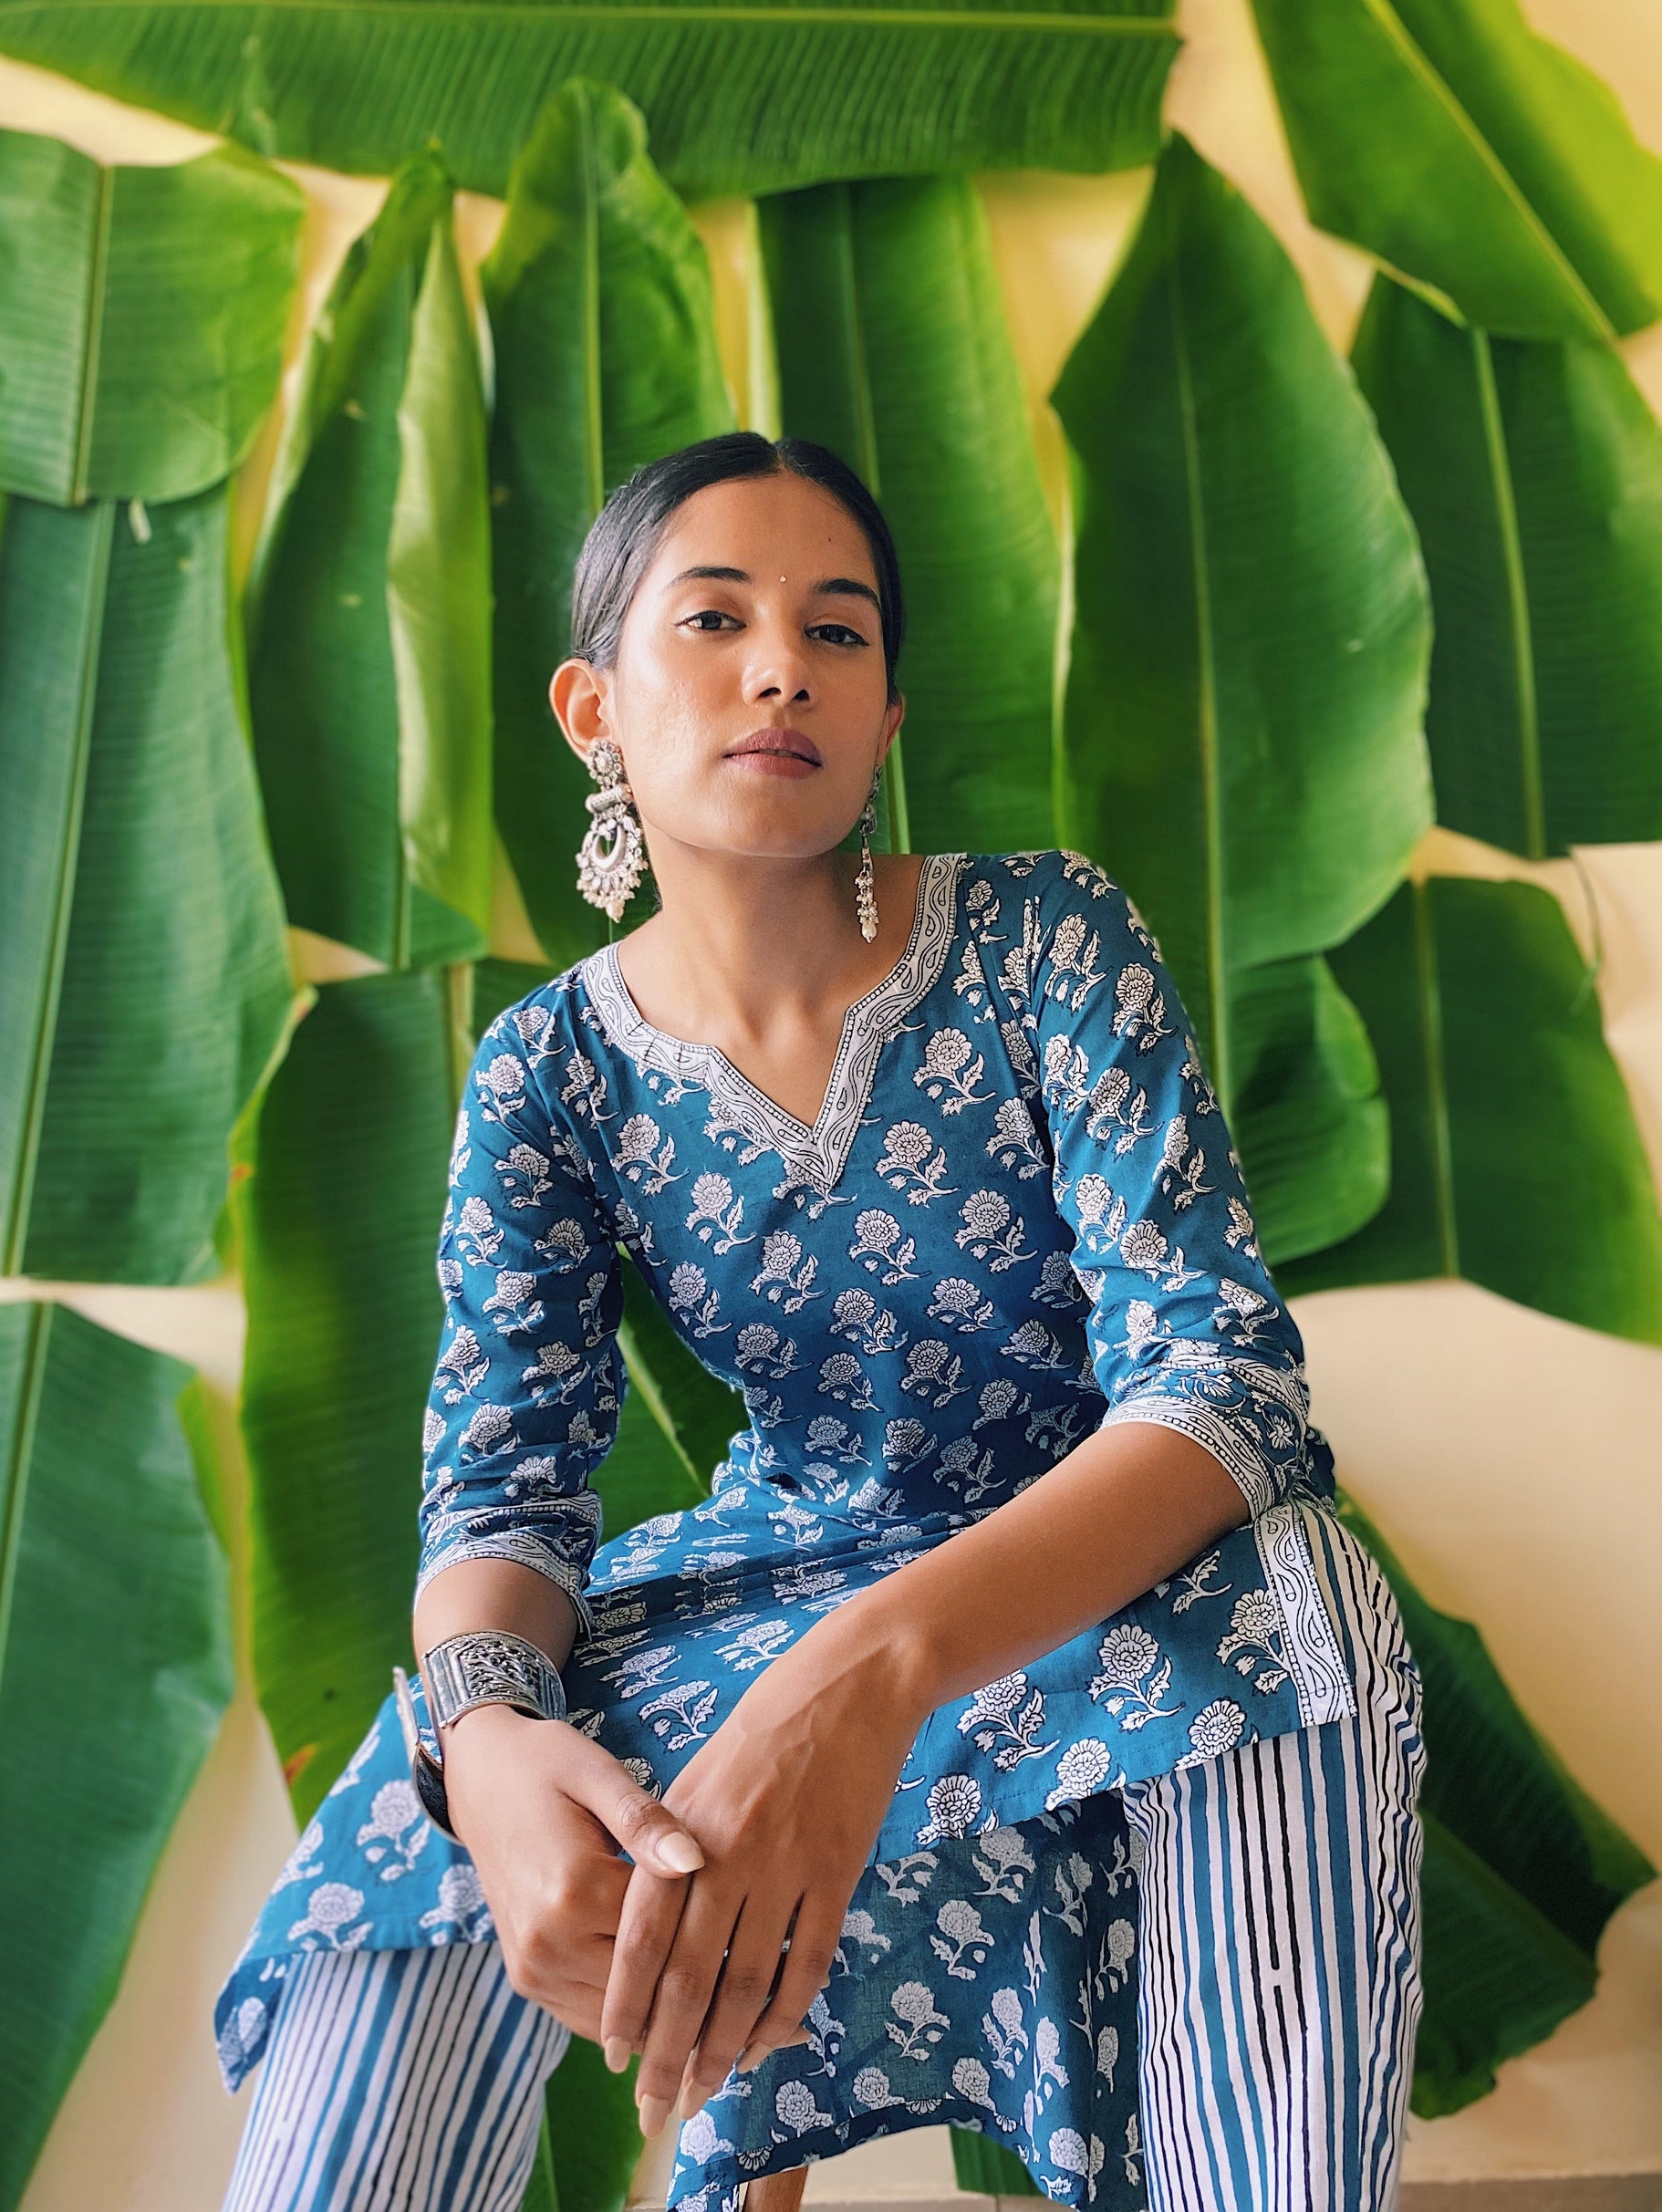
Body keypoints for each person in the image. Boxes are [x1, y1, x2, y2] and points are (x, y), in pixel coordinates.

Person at [213, 431, 1426, 2212]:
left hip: (1117, 1569)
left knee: (1303, 1605)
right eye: (713, 618)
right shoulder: (548, 1070)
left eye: (835, 630)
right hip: (773, 1569)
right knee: (427, 1820)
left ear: (884, 717)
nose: (780, 664)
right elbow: (501, 1495)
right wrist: (487, 1735)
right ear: (592, 708)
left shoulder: (1045, 937)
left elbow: (1222, 1382)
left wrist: (862, 1677)